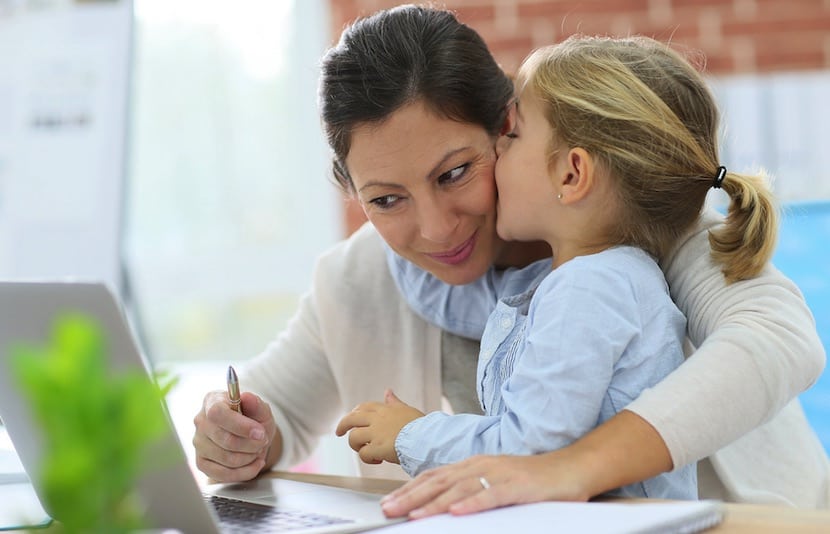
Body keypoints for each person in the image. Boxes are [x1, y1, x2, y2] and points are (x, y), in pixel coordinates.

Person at [191, 4, 828, 510]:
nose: (436, 229)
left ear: (506, 126)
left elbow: (779, 339)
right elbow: (271, 414)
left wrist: (566, 469)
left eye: (455, 173)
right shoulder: (358, 278)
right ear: (351, 192)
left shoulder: (637, 226)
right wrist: (236, 438)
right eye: (386, 200)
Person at [336, 33, 772, 500]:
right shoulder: (557, 282)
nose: (499, 150)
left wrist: (410, 434)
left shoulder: (593, 289)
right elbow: (447, 299)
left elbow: (529, 448)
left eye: (513, 135)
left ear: (571, 174)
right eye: (385, 199)